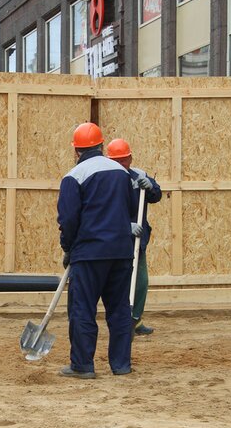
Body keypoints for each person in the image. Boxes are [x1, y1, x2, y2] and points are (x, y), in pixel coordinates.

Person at [57, 122, 136, 378]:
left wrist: (68, 248)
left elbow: (68, 218)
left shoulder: (74, 176)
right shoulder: (122, 172)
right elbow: (128, 208)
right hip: (121, 251)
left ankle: (82, 365)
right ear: (102, 146)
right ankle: (121, 365)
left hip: (89, 253)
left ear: (76, 151)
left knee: (82, 309)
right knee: (120, 309)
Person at [105, 138, 162, 336]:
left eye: (124, 160)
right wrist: (124, 226)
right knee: (118, 282)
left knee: (140, 282)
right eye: (116, 161)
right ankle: (120, 322)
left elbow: (156, 196)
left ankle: (135, 320)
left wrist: (151, 187)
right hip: (114, 240)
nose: (121, 164)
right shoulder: (105, 179)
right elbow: (103, 211)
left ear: (130, 158)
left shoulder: (139, 175)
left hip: (138, 241)